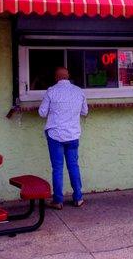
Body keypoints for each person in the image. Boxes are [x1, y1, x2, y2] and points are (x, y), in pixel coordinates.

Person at [38, 67, 88, 209]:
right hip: (73, 135)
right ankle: (78, 198)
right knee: (73, 166)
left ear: (56, 77)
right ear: (68, 76)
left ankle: (58, 200)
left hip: (55, 135)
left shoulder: (51, 91)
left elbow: (42, 113)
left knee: (57, 168)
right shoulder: (79, 91)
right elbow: (85, 111)